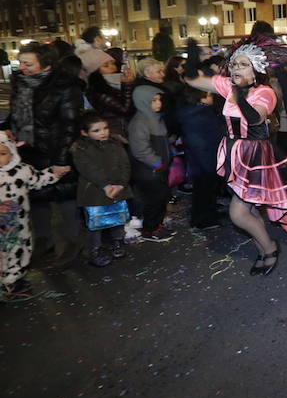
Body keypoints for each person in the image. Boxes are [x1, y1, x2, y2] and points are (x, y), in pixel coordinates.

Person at [183, 36, 287, 275]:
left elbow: (255, 118)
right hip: (232, 153)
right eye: (234, 64)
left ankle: (270, 247)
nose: (236, 68)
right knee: (248, 210)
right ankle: (263, 249)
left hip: (254, 156)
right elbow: (192, 79)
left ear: (255, 69)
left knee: (238, 213)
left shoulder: (265, 92)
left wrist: (239, 92)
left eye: (243, 65)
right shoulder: (228, 85)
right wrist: (191, 56)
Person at [1, 42, 83, 266]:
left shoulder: (65, 86)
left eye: (28, 63)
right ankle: (43, 241)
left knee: (65, 198)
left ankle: (72, 242)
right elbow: (17, 113)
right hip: (27, 151)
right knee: (37, 200)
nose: (22, 68)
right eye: (21, 63)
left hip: (56, 150)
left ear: (46, 65)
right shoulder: (20, 83)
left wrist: (61, 161)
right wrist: (8, 126)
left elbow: (70, 125)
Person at [0, 134, 69, 295]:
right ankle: (5, 283)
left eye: (2, 154)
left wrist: (55, 172)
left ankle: (13, 280)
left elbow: (39, 180)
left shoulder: (23, 171)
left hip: (19, 225)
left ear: (12, 152)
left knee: (21, 249)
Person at [71, 111, 133, 267]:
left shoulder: (116, 143)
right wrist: (105, 185)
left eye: (105, 128)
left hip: (118, 189)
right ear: (84, 133)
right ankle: (95, 251)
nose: (103, 133)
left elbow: (124, 165)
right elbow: (88, 169)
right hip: (95, 191)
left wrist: (120, 184)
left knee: (118, 218)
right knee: (95, 223)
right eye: (96, 130)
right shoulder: (81, 148)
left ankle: (118, 242)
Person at [128, 86, 175, 242]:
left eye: (159, 99)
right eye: (153, 100)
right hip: (149, 170)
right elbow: (140, 149)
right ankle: (150, 229)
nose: (158, 103)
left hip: (159, 168)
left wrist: (170, 149)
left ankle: (157, 225)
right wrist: (158, 163)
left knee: (161, 198)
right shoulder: (140, 122)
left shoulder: (155, 118)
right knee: (153, 200)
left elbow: (161, 142)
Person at [174, 86, 225, 229]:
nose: (212, 98)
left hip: (202, 159)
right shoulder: (200, 115)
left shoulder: (195, 112)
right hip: (205, 160)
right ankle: (203, 220)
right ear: (202, 96)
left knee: (204, 190)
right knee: (204, 191)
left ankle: (208, 215)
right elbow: (202, 142)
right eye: (210, 95)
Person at [85, 53, 136, 136]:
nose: (112, 67)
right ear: (96, 71)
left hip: (126, 126)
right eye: (106, 66)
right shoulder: (99, 90)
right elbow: (124, 109)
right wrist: (127, 85)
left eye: (112, 63)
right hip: (113, 130)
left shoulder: (117, 81)